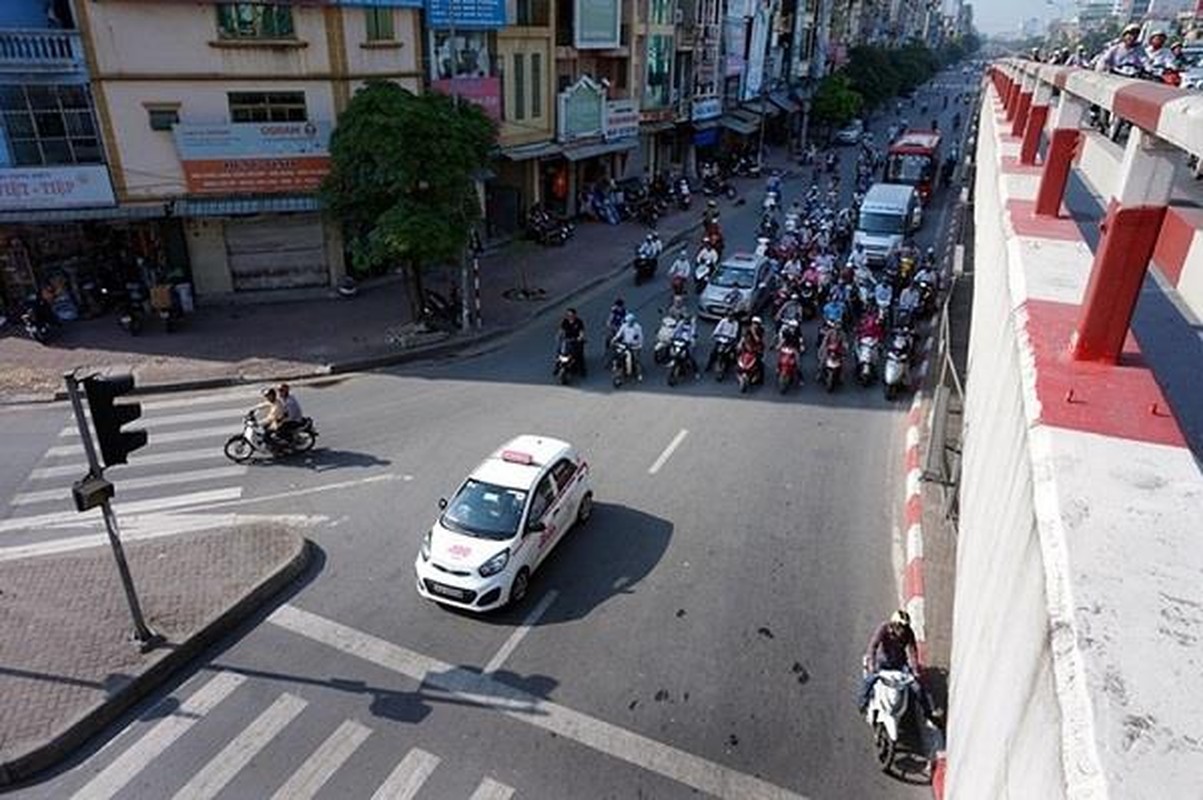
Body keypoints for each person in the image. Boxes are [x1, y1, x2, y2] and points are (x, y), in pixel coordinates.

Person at [857, 609, 932, 719]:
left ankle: (928, 713)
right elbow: (873, 646)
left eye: (904, 627)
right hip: (882, 663)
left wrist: (915, 669)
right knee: (869, 680)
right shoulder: (883, 628)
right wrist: (872, 664)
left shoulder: (908, 633)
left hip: (899, 664)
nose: (902, 629)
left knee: (917, 688)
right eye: (899, 626)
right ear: (893, 624)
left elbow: (912, 651)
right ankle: (862, 703)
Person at [611, 312, 644, 381]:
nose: (628, 323)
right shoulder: (624, 326)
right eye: (627, 321)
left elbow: (640, 338)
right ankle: (618, 368)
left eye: (629, 321)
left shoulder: (637, 327)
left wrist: (639, 345)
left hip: (634, 346)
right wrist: (614, 339)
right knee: (618, 356)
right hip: (625, 345)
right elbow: (619, 334)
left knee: (636, 360)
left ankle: (639, 374)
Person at [558, 307, 587, 377]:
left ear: (575, 315)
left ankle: (582, 370)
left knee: (579, 354)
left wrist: (580, 337)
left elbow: (581, 332)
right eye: (568, 315)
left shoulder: (579, 322)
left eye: (571, 315)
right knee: (559, 351)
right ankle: (557, 367)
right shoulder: (564, 321)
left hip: (576, 340)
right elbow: (561, 330)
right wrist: (559, 336)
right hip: (567, 340)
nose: (570, 317)